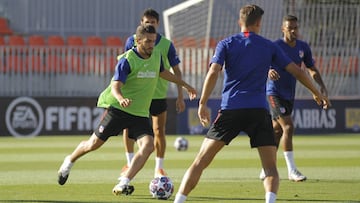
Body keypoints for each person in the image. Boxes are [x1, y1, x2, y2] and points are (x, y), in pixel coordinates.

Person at [173, 4, 330, 203]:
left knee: (200, 161)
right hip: (258, 110)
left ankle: (179, 200)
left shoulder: (226, 43)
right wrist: (316, 92)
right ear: (259, 23)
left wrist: (203, 103)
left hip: (230, 110)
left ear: (240, 22)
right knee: (270, 168)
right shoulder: (269, 46)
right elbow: (298, 71)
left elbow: (213, 72)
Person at [57, 24, 197, 196]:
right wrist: (121, 98)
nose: (151, 45)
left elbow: (164, 73)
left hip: (139, 113)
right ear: (138, 41)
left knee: (148, 146)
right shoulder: (127, 60)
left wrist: (186, 86)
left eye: (153, 41)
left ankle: (124, 182)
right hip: (118, 110)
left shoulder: (157, 56)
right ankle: (69, 160)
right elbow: (115, 86)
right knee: (93, 144)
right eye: (147, 41)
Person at [261, 15, 330, 182]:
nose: (293, 31)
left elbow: (311, 69)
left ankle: (266, 168)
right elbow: (262, 64)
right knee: (288, 128)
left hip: (289, 95)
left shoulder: (303, 47)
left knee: (277, 131)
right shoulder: (275, 46)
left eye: (295, 28)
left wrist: (321, 87)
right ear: (283, 29)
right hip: (273, 93)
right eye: (290, 28)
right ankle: (292, 171)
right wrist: (268, 71)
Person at [120, 8, 185, 179]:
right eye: (146, 22)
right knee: (129, 130)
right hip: (137, 95)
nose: (149, 24)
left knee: (159, 130)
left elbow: (176, 70)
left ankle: (159, 168)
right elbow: (123, 69)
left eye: (153, 23)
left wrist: (180, 94)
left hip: (157, 94)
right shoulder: (131, 41)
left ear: (158, 24)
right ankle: (129, 162)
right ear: (141, 23)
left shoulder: (166, 44)